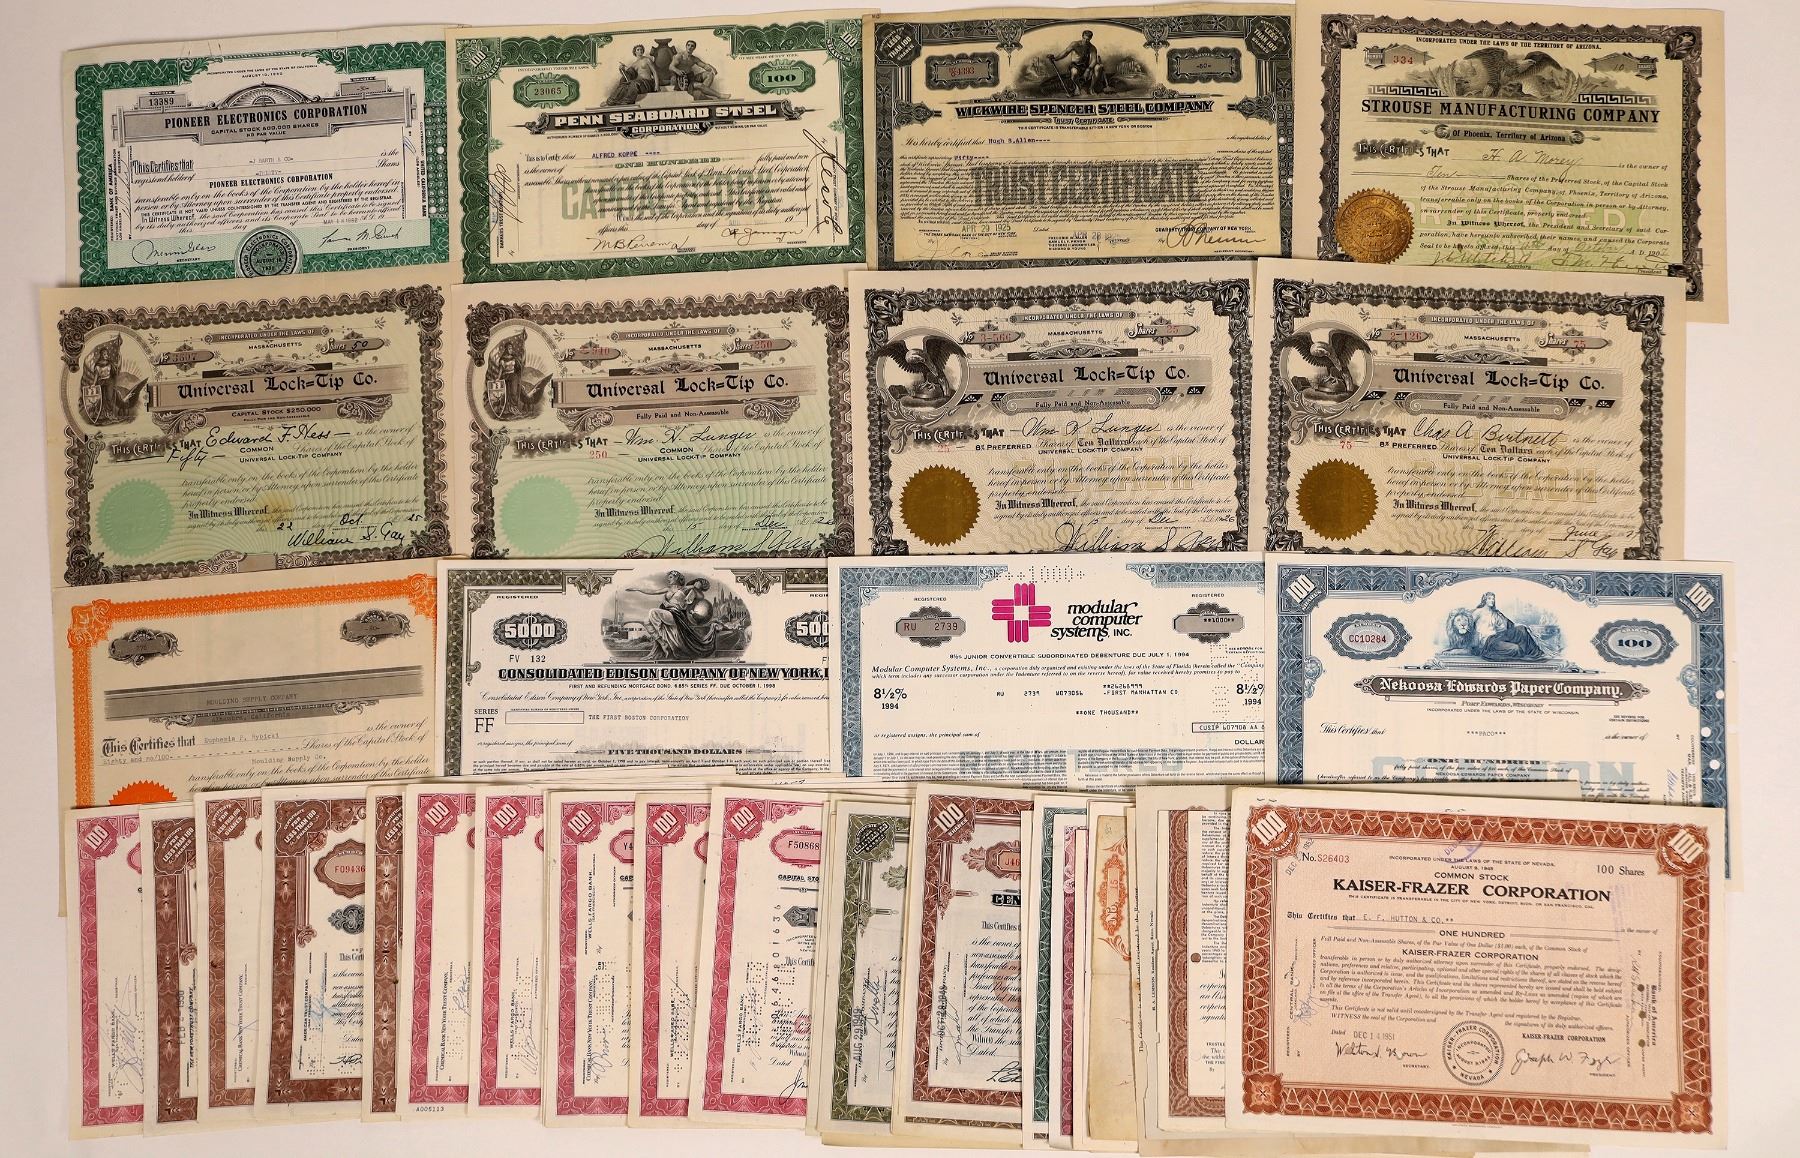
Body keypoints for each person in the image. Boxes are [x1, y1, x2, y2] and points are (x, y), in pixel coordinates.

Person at [1468, 592, 1546, 661]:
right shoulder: (1478, 612)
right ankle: (1528, 653)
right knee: (1516, 648)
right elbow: (1468, 624)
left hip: (1498, 637)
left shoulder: (1496, 613)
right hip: (1488, 642)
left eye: (1493, 599)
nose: (1492, 600)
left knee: (1522, 629)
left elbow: (1508, 625)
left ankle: (1536, 653)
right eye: (1489, 598)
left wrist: (1519, 625)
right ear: (1484, 600)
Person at [1048, 30, 1108, 96]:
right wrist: (1056, 59)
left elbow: (1094, 60)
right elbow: (1065, 52)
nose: (1085, 41)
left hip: (1085, 66)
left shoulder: (1092, 47)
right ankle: (1078, 87)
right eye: (1084, 38)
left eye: (1087, 39)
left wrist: (1088, 69)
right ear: (1082, 37)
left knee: (1098, 67)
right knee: (1074, 73)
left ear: (1090, 38)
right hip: (1075, 65)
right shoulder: (1075, 44)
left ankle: (1091, 88)